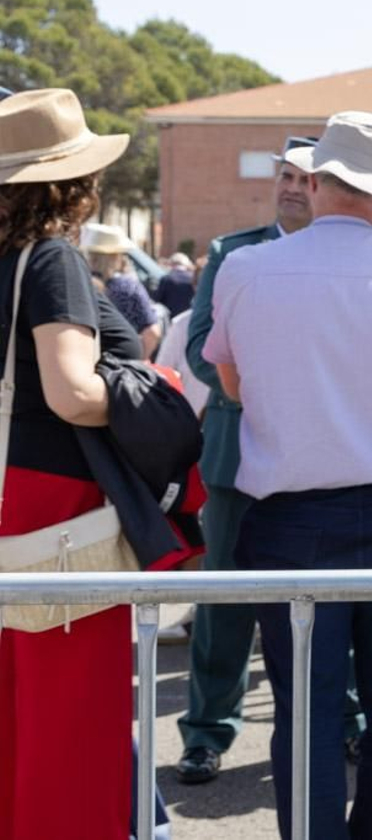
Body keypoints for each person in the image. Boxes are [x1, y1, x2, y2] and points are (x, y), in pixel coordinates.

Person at [203, 112, 372, 838]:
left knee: (306, 710)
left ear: (314, 181)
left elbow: (230, 382)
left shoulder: (246, 269)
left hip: (291, 517)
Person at [176, 134, 335, 785]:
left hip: (322, 456)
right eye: (286, 176)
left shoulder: (341, 256)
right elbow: (196, 351)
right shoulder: (231, 252)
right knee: (224, 601)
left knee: (330, 595)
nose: (294, 187)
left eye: (307, 178)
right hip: (237, 455)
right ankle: (207, 732)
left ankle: (344, 721)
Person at [0, 88, 136, 838]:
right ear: (69, 183)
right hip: (51, 506)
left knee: (12, 724)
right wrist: (147, 398)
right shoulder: (49, 259)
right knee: (68, 728)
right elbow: (72, 391)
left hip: (7, 494)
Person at [81, 225, 160, 358]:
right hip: (122, 366)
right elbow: (152, 332)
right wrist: (140, 361)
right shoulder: (128, 287)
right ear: (116, 256)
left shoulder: (80, 285)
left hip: (88, 363)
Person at [154, 252, 196, 316]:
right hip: (188, 316)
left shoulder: (166, 279)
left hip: (169, 317)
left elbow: (158, 300)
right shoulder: (193, 279)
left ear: (172, 264)